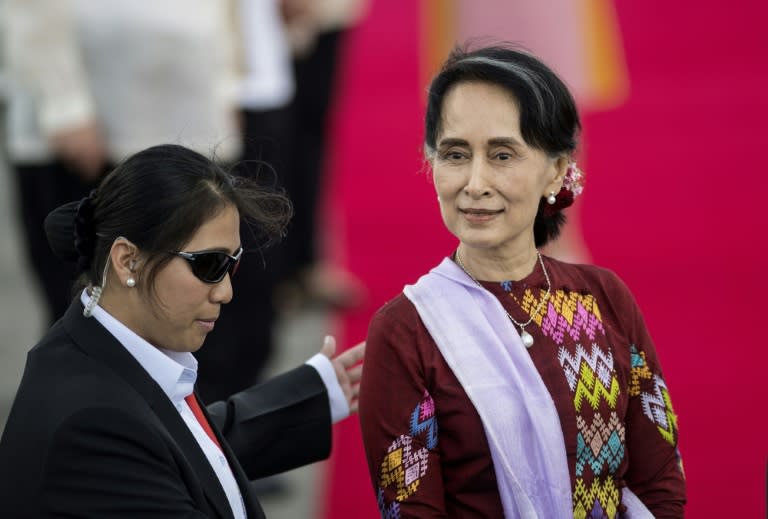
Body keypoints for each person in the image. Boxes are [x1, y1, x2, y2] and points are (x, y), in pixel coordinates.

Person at [358, 45, 685, 518]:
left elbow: (660, 481)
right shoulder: (408, 331)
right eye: (454, 154)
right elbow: (410, 510)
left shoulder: (603, 299)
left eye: (502, 154)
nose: (474, 182)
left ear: (555, 169)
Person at [0, 144, 364, 518]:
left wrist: (314, 391)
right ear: (128, 261)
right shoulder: (92, 427)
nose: (225, 291)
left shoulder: (94, 350)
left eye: (232, 265)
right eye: (209, 264)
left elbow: (178, 443)